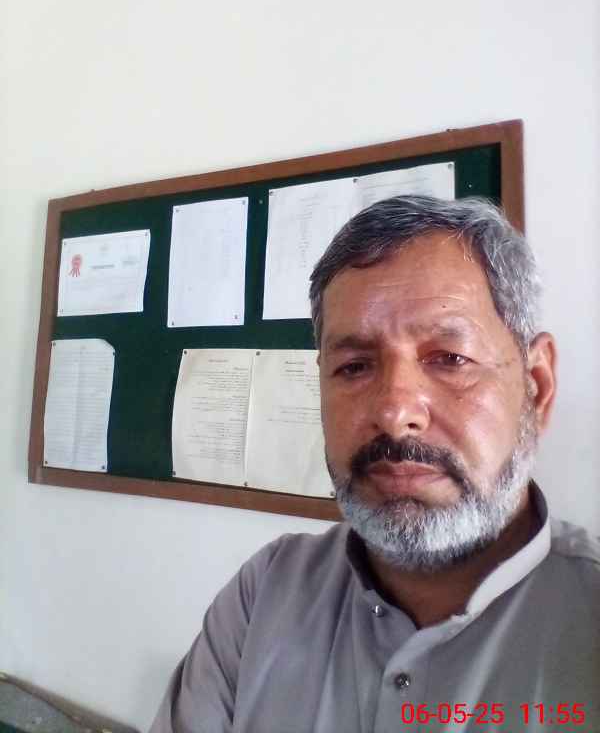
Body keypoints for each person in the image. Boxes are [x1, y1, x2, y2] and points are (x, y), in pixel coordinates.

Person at [150, 196, 599, 733]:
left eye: (450, 359)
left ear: (536, 387)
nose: (394, 413)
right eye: (355, 366)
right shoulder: (264, 595)